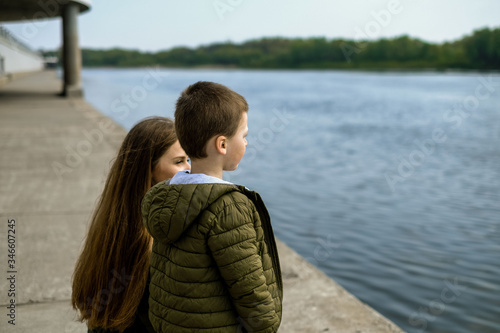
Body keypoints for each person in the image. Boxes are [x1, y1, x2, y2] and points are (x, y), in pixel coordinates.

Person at [141, 81, 283, 333]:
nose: (247, 143)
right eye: (244, 135)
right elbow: (249, 290)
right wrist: (267, 325)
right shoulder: (229, 207)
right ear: (223, 145)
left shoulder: (166, 196)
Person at [71, 116, 190, 333]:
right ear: (149, 169)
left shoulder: (112, 226)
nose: (189, 169)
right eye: (179, 161)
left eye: (188, 159)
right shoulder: (155, 241)